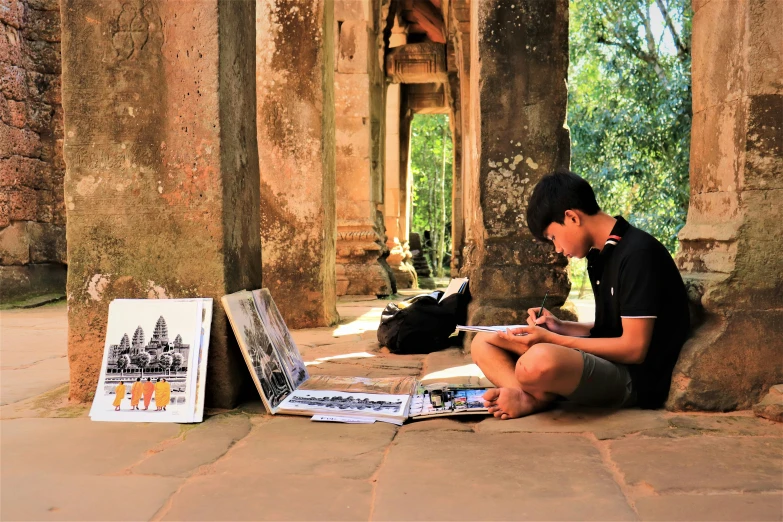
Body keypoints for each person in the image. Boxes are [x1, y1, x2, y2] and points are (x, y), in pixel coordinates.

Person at [472, 170, 690, 419]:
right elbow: (610, 328)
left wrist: (551, 340)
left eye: (553, 237)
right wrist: (560, 326)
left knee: (538, 360)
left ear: (572, 217)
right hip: (602, 361)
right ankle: (527, 395)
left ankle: (531, 395)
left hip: (634, 377)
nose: (557, 249)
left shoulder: (638, 254)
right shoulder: (600, 255)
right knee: (483, 341)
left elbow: (634, 348)